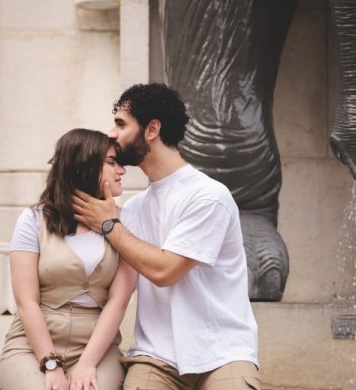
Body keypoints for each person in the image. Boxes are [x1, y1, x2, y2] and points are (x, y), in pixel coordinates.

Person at [72, 84, 260, 390]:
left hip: (223, 353)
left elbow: (166, 270)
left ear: (152, 129)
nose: (111, 134)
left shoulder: (208, 197)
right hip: (154, 357)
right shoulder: (131, 210)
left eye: (121, 124)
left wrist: (110, 225)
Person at [0, 128, 136, 390]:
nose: (121, 171)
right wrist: (50, 363)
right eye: (111, 162)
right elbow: (26, 301)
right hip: (33, 344)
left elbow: (118, 302)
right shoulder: (33, 221)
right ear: (83, 164)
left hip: (97, 346)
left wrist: (87, 363)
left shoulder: (124, 223)